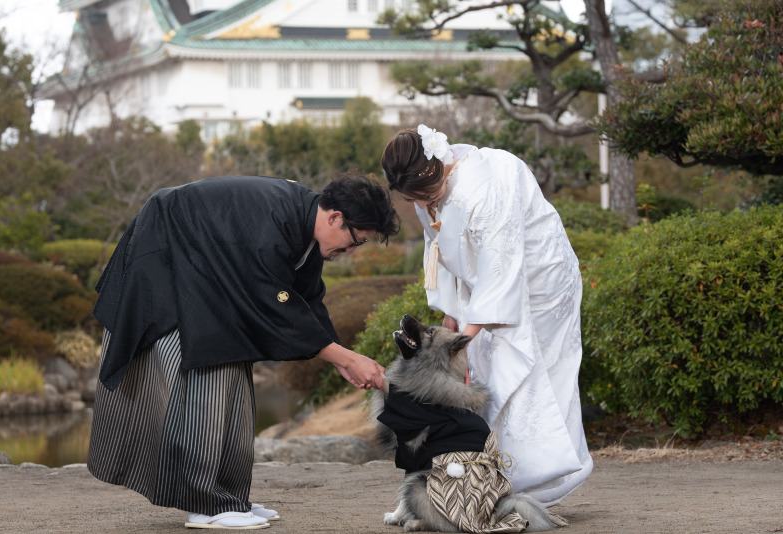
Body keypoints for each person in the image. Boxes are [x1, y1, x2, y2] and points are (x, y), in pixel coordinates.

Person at [88, 172, 400, 529]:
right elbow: (272, 303)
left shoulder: (304, 225)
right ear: (334, 217)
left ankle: (230, 497)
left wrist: (341, 356)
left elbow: (305, 299)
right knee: (211, 366)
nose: (350, 252)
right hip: (169, 264)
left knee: (235, 367)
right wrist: (343, 357)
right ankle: (203, 504)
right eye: (354, 241)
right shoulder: (276, 222)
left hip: (205, 276)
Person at [380, 125, 592, 507]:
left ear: (437, 168)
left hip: (539, 280)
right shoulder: (424, 183)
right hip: (482, 287)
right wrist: (450, 313)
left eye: (427, 196)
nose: (425, 205)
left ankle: (539, 480)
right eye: (414, 199)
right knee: (484, 373)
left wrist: (459, 341)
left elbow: (500, 262)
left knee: (533, 373)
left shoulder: (486, 185)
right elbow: (440, 248)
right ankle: (499, 476)